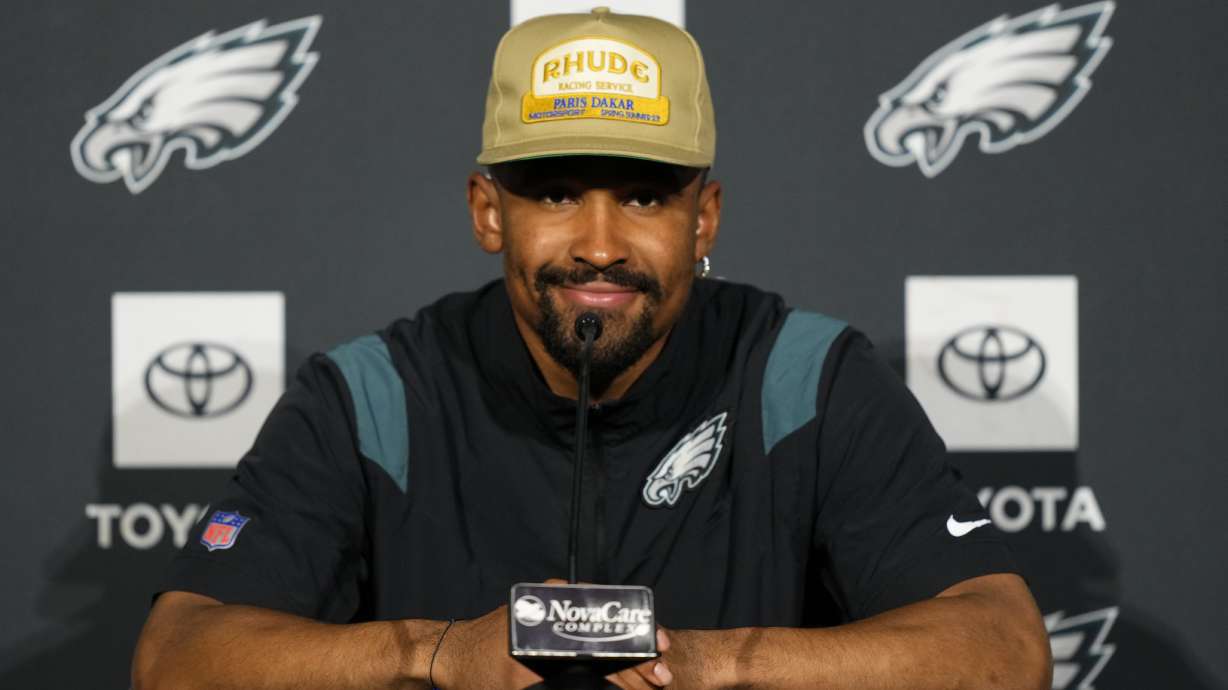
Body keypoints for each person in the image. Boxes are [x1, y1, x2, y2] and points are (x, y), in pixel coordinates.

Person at [132, 8, 1051, 690]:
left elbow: (1005, 651)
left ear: (707, 216)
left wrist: (709, 661)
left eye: (646, 197)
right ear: (489, 211)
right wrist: (435, 653)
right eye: (558, 192)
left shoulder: (804, 377)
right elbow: (178, 657)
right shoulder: (374, 395)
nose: (601, 242)